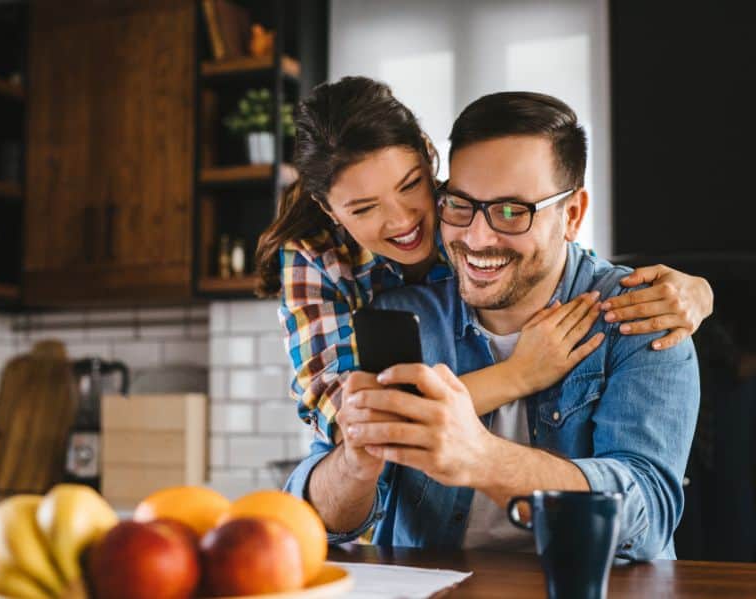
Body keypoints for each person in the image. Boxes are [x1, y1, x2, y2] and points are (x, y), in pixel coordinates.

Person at [286, 91, 700, 561]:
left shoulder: (644, 313)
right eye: (460, 205)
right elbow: (322, 521)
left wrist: (483, 459)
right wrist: (354, 467)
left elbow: (648, 514)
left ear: (573, 215)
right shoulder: (394, 316)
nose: (477, 239)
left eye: (511, 211)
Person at [256, 77, 712, 446]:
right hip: (389, 502)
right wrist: (518, 375)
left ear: (428, 157)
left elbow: (549, 254)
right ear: (329, 208)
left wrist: (700, 291)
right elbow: (354, 423)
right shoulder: (313, 260)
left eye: (412, 184)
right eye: (363, 209)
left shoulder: (461, 210)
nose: (403, 221)